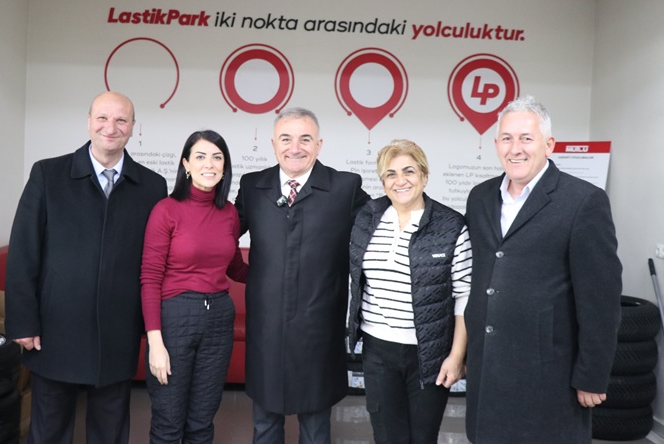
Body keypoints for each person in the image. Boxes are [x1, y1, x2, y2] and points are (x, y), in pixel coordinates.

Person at [5, 91, 168, 444]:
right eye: (103, 118)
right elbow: (23, 252)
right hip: (54, 330)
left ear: (133, 127)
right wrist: (23, 320)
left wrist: (151, 326)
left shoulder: (152, 186)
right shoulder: (48, 174)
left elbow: (156, 262)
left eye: (121, 120)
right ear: (89, 122)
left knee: (110, 432)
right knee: (49, 432)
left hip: (117, 332)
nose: (111, 127)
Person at [464, 95, 622, 443]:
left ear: (549, 145)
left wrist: (593, 375)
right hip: (487, 370)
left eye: (526, 138)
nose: (515, 149)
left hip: (548, 375)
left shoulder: (583, 201)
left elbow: (601, 300)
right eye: (507, 138)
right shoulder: (479, 197)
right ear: (496, 144)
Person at [235, 107, 370, 443]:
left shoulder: (345, 187)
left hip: (318, 328)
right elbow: (221, 236)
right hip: (266, 328)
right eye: (286, 139)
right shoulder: (253, 186)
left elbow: (381, 230)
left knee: (315, 426)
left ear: (319, 145)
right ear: (273, 144)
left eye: (305, 139)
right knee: (265, 423)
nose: (295, 148)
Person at [348, 139, 472, 444]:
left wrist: (456, 357)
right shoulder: (367, 217)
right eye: (390, 174)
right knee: (387, 436)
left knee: (422, 437)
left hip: (429, 353)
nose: (400, 180)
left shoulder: (451, 225)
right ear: (383, 181)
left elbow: (465, 295)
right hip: (378, 350)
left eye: (409, 171)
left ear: (424, 176)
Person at [140, 130, 248, 443]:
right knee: (168, 423)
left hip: (219, 319)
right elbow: (150, 278)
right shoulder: (166, 210)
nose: (209, 164)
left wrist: (279, 276)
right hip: (175, 319)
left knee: (201, 423)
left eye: (217, 157)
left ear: (225, 167)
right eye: (200, 156)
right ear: (186, 164)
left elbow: (234, 267)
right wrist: (155, 343)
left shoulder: (229, 213)